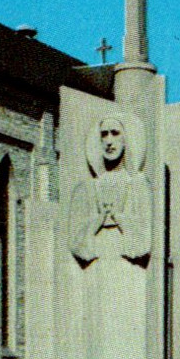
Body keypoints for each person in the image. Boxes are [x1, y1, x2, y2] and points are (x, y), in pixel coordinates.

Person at [68, 114, 151, 267]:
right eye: (104, 134)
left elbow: (146, 234)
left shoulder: (138, 184)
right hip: (97, 266)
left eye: (115, 133)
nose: (109, 141)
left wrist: (120, 218)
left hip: (128, 267)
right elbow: (75, 238)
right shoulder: (87, 188)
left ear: (126, 139)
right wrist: (98, 220)